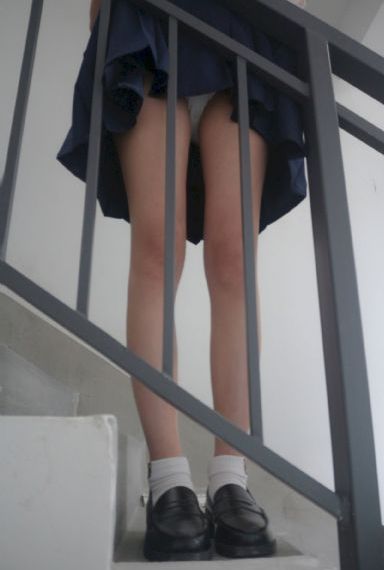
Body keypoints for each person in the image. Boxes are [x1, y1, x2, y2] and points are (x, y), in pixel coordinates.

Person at [57, 0, 307, 561]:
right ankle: (168, 475)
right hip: (151, 23)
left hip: (246, 36)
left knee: (234, 258)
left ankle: (231, 475)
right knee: (157, 249)